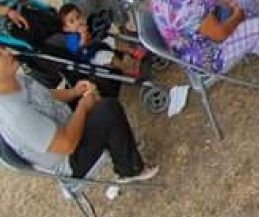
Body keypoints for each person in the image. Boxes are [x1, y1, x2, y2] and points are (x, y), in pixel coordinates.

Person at [0, 47, 157, 184]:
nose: (7, 53)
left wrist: (74, 92)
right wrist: (82, 107)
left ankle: (121, 145)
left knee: (100, 86)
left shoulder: (16, 80)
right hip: (69, 161)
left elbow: (46, 96)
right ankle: (130, 170)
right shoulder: (16, 116)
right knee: (107, 110)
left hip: (66, 125)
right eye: (0, 55)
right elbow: (67, 144)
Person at [58, 3, 139, 73]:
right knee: (107, 57)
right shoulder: (71, 39)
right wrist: (83, 35)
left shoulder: (83, 27)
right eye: (72, 21)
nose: (77, 22)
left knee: (111, 40)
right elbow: (81, 48)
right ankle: (126, 68)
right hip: (91, 56)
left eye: (78, 17)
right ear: (66, 28)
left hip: (96, 45)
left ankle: (132, 51)